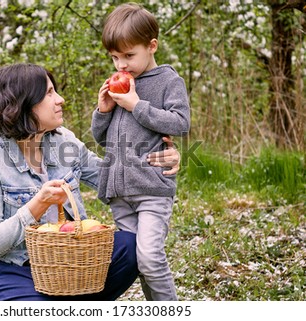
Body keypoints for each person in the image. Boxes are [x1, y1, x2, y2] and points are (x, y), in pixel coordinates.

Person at [0, 63, 181, 301]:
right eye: (49, 93)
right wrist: (37, 206)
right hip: (3, 270)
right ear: (22, 105)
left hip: (61, 266)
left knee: (129, 247)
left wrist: (159, 162)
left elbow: (113, 176)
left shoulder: (64, 141)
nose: (61, 100)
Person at [91, 3, 191, 301]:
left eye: (129, 55)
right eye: (114, 57)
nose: (121, 65)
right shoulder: (119, 83)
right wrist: (103, 111)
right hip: (120, 193)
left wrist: (135, 105)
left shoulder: (167, 81)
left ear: (152, 46)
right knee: (138, 262)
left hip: (151, 188)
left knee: (150, 258)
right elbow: (100, 138)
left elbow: (181, 123)